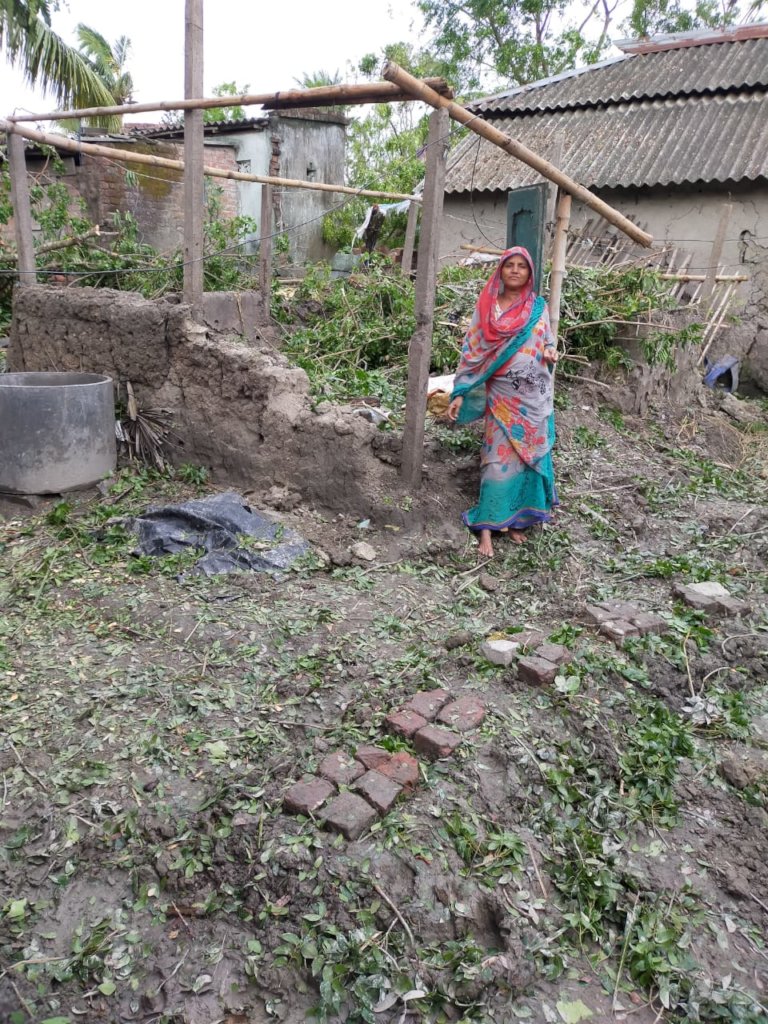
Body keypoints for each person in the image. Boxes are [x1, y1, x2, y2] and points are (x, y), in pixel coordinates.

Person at [447, 246, 558, 559]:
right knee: (496, 462)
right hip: (501, 398)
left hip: (533, 398)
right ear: (501, 270)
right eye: (510, 265)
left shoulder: (538, 307)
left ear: (529, 273)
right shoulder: (488, 308)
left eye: (522, 266)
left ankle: (518, 520)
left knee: (527, 461)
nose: (515, 270)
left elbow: (547, 341)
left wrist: (550, 352)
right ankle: (487, 526)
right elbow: (472, 351)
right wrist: (459, 392)